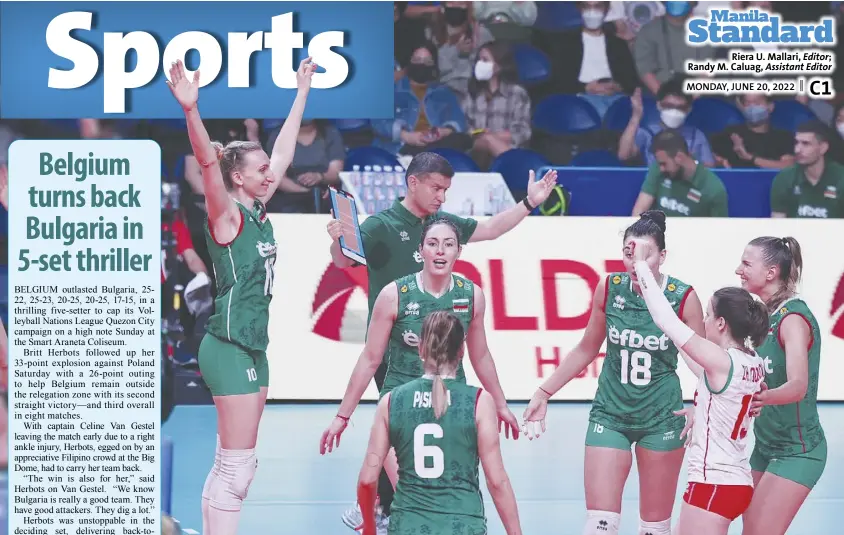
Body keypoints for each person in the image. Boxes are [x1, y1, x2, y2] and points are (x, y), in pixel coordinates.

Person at [326, 151, 557, 529]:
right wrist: (338, 240)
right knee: (404, 431)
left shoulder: (443, 225)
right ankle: (384, 508)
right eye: (436, 188)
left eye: (446, 190)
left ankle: (392, 508)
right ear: (412, 183)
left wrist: (530, 202)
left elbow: (492, 228)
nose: (442, 197)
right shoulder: (382, 225)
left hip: (446, 363)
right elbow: (343, 260)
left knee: (441, 443)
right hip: (398, 355)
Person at [165, 57, 316, 535]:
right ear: (238, 179)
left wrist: (302, 92)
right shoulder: (227, 216)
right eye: (262, 169)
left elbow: (286, 150)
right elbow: (208, 162)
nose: (272, 172)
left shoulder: (258, 208)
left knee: (233, 466)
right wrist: (192, 111)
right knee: (239, 469)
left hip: (254, 345)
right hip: (228, 344)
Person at [321, 218, 516, 530]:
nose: (440, 251)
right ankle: (383, 515)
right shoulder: (394, 294)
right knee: (413, 497)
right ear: (420, 250)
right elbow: (370, 359)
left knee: (454, 493)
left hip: (451, 404)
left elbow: (479, 354)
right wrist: (342, 416)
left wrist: (502, 404)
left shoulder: (472, 295)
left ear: (459, 252)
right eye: (433, 244)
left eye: (448, 244)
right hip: (401, 404)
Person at [521, 210, 704, 535]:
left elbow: (704, 362)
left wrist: (700, 405)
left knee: (654, 528)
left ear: (662, 256)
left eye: (646, 255)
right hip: (610, 416)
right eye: (629, 253)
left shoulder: (683, 297)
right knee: (600, 526)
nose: (636, 263)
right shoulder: (610, 287)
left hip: (662, 419)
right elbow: (586, 348)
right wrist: (543, 392)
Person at [628, 239, 768, 535]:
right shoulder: (750, 360)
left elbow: (667, 321)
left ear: (720, 323)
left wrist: (641, 266)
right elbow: (692, 357)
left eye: (706, 315)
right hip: (735, 482)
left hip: (713, 484)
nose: (701, 320)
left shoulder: (722, 362)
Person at [355, 311, 522, 535]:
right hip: (463, 527)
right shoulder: (479, 402)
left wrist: (369, 526)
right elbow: (497, 481)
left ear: (421, 349)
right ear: (461, 351)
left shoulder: (391, 401)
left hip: (408, 527)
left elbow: (367, 480)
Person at [734, 237, 826, 535]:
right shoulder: (764, 317)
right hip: (765, 447)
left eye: (747, 264)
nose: (739, 270)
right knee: (751, 526)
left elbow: (798, 385)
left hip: (798, 451)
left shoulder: (793, 319)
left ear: (771, 272)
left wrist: (762, 398)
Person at [631, 129, 729, 218]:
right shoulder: (657, 169)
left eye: (664, 164)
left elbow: (720, 231)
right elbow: (640, 210)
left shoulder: (714, 189)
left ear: (680, 157)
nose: (661, 168)